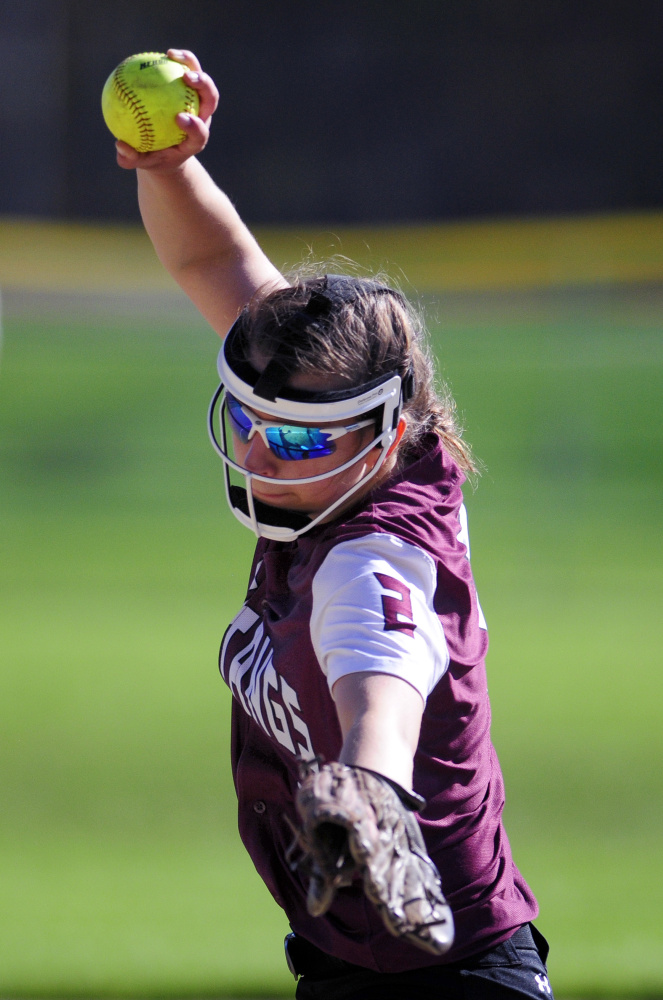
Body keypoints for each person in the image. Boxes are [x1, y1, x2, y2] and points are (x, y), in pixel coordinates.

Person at [114, 49, 555, 1000]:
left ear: (389, 431)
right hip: (342, 960)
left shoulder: (374, 558)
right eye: (249, 421)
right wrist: (166, 165)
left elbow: (380, 685)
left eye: (302, 443)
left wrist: (368, 784)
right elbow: (211, 262)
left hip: (450, 975)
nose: (266, 454)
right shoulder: (357, 438)